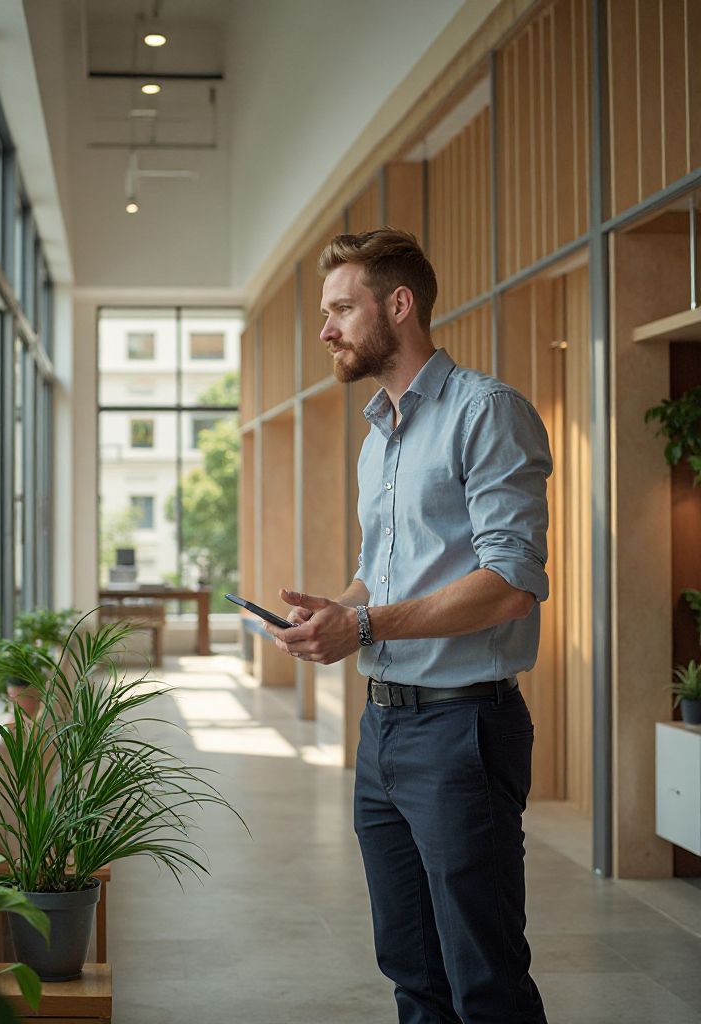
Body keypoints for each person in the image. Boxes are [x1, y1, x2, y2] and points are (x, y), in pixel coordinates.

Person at [264, 229, 551, 1024]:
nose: (326, 330)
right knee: (412, 972)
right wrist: (338, 611)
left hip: (462, 731)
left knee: (484, 977)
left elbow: (511, 584)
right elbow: (383, 574)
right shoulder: (379, 436)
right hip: (384, 731)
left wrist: (363, 624)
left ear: (399, 305)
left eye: (341, 309)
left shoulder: (485, 412)